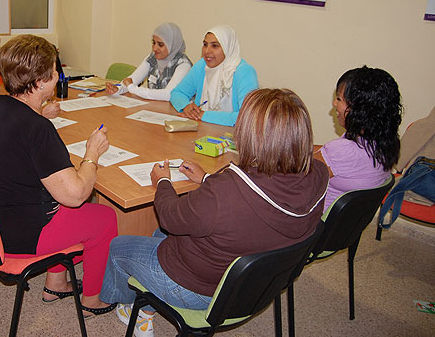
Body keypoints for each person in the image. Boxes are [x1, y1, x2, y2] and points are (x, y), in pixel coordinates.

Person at [100, 88, 328, 337]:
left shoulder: (225, 192)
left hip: (197, 290)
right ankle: (149, 308)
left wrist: (163, 183)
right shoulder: (318, 174)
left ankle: (121, 304)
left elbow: (170, 217)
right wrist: (208, 179)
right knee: (158, 234)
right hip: (257, 284)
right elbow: (248, 202)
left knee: (119, 247)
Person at [0, 34, 118, 317]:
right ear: (41, 81)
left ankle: (56, 283)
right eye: (55, 71)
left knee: (54, 198)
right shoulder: (38, 129)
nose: (58, 75)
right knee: (103, 218)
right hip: (17, 236)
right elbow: (75, 195)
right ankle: (92, 300)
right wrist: (92, 153)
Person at [315, 66, 402, 212]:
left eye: (339, 99)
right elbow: (326, 155)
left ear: (360, 109)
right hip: (344, 229)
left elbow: (296, 178)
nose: (334, 104)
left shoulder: (342, 151)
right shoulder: (382, 144)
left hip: (316, 225)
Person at [170, 25, 258, 126]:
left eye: (215, 46)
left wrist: (203, 115)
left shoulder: (244, 72)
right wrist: (186, 106)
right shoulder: (202, 65)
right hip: (202, 128)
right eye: (205, 44)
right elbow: (177, 93)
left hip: (233, 135)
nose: (207, 51)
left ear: (227, 47)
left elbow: (248, 117)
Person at [105, 22, 192, 101]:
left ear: (172, 45)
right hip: (155, 109)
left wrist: (133, 88)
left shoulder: (183, 64)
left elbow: (168, 95)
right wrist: (119, 89)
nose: (154, 48)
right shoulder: (153, 57)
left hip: (177, 113)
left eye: (160, 45)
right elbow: (132, 80)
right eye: (153, 43)